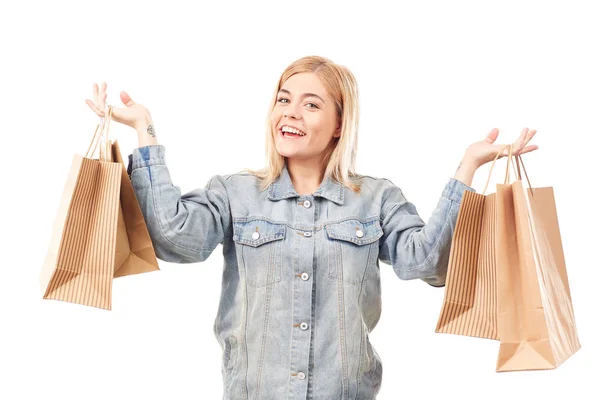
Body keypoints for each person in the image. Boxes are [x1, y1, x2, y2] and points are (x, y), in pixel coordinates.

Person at [85, 55, 538, 399]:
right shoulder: (234, 192)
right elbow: (175, 240)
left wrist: (468, 167)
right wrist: (144, 130)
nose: (291, 113)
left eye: (311, 104)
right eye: (284, 100)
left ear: (339, 124)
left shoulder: (376, 198)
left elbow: (429, 265)